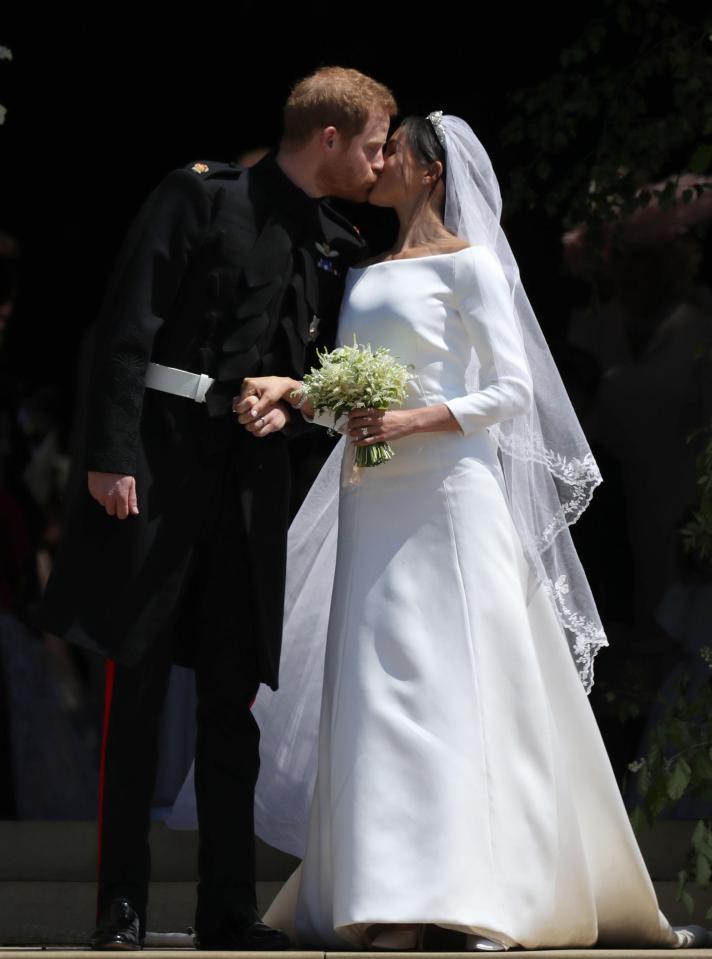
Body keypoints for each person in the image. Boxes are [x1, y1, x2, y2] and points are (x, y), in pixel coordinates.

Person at [168, 113, 712, 951]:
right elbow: (351, 380)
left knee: (459, 680)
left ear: (428, 171)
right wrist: (295, 391)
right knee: (381, 686)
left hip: (451, 494)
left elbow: (512, 392)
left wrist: (412, 417)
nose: (376, 161)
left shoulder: (473, 266)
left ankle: (479, 891)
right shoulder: (369, 266)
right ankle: (391, 891)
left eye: (393, 151)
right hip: (374, 494)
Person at [37, 66, 398, 950]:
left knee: (232, 699)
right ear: (330, 137)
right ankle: (120, 901)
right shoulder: (202, 197)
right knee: (140, 689)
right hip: (159, 472)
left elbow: (306, 364)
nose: (381, 161)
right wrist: (110, 456)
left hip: (250, 488)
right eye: (375, 142)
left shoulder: (331, 236)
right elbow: (128, 321)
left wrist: (289, 401)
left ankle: (225, 906)